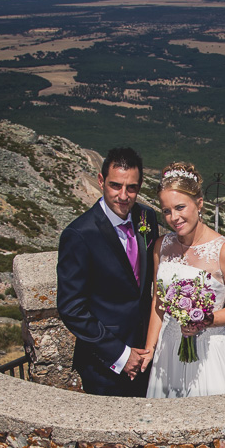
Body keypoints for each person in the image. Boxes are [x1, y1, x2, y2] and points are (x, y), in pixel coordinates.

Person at [144, 162, 225, 398]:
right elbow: (158, 302)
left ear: (199, 203)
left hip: (211, 352)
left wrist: (205, 319)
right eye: (166, 211)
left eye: (180, 207)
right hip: (168, 349)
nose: (173, 217)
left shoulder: (224, 251)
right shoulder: (161, 246)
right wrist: (150, 348)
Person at [56, 147, 159, 397]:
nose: (123, 196)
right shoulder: (79, 234)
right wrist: (122, 355)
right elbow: (71, 308)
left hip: (148, 355)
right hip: (104, 362)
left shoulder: (147, 217)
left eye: (132, 188)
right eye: (115, 186)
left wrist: (149, 347)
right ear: (101, 181)